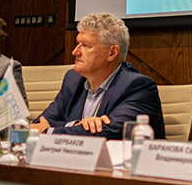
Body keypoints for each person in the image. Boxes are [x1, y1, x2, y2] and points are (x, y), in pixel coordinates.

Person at [32, 12, 164, 139]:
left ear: (112, 53)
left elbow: (108, 132)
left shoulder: (138, 87)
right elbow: (39, 123)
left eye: (86, 45)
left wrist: (48, 131)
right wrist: (77, 124)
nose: (75, 52)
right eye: (77, 44)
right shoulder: (73, 80)